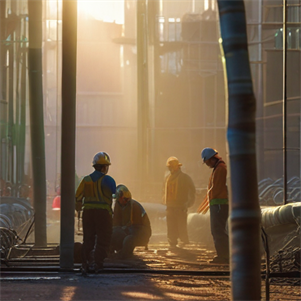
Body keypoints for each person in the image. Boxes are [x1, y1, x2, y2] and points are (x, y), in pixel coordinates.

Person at [75, 151, 116, 275]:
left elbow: (77, 197)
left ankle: (85, 264)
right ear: (104, 167)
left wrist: (79, 209)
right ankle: (98, 263)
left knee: (88, 239)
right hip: (103, 214)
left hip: (88, 214)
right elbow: (115, 194)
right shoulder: (108, 180)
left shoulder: (85, 180)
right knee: (103, 239)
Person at [198, 147, 229, 264]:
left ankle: (224, 256)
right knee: (218, 230)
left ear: (211, 159)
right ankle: (224, 255)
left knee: (217, 231)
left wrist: (208, 202)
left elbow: (216, 188)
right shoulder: (218, 168)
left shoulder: (220, 169)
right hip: (217, 204)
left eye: (206, 162)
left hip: (219, 205)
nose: (207, 165)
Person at [111, 184, 152, 259]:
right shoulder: (118, 205)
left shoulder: (134, 206)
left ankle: (125, 254)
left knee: (128, 239)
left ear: (125, 198)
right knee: (113, 233)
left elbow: (134, 226)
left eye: (119, 198)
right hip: (128, 230)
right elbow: (115, 223)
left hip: (140, 231)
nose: (118, 200)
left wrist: (122, 230)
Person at [163, 156, 196, 250]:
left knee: (181, 226)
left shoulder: (184, 178)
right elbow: (164, 191)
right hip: (170, 207)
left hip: (180, 207)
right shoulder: (167, 178)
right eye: (169, 167)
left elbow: (192, 191)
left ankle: (184, 244)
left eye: (171, 167)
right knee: (171, 226)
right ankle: (172, 242)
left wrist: (188, 203)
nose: (170, 169)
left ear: (177, 166)